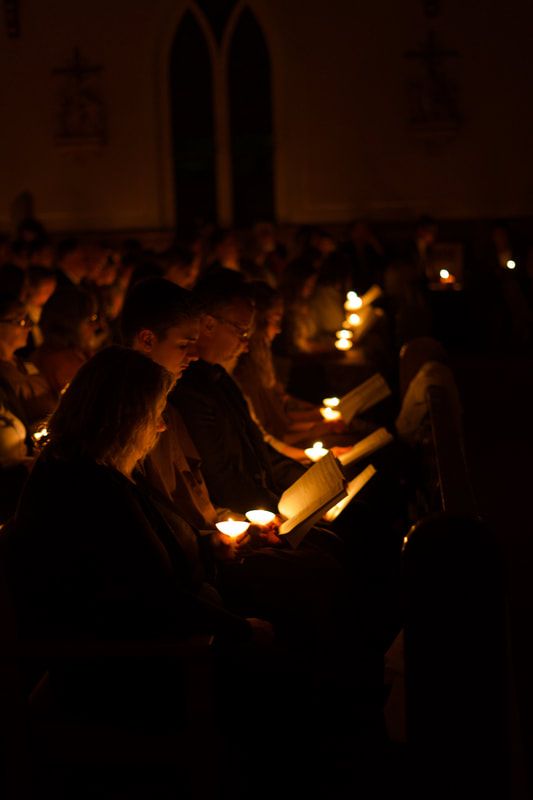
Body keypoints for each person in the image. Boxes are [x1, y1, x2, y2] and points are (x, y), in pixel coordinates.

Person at [6, 345, 273, 729]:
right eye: (157, 413)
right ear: (124, 418)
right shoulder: (85, 487)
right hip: (118, 669)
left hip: (141, 639)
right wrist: (241, 628)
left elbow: (137, 559)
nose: (163, 426)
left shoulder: (98, 467)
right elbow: (147, 595)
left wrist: (205, 546)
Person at [30, 284, 104, 396]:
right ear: (70, 324)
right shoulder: (64, 366)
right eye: (91, 319)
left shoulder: (76, 354)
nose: (97, 326)